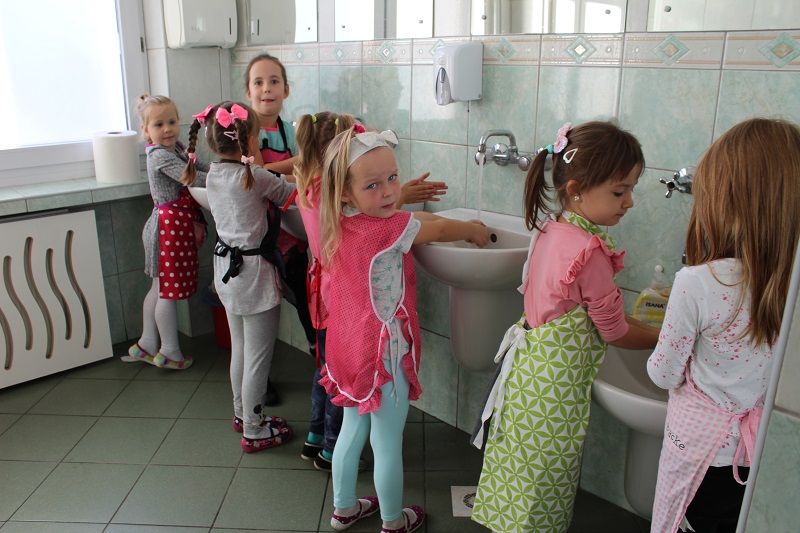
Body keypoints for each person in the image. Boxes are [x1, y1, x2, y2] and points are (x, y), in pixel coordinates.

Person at [470, 121, 661, 533]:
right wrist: (663, 338)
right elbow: (613, 331)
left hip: (526, 378)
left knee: (516, 472)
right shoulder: (589, 253)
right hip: (554, 392)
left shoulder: (552, 228)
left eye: (631, 189)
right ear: (576, 189)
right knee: (544, 483)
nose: (629, 202)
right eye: (619, 192)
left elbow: (601, 313)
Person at [317, 124, 490, 533]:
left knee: (352, 428)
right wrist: (473, 230)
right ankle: (394, 522)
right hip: (383, 354)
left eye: (392, 178)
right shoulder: (387, 228)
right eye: (373, 185)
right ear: (346, 193)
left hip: (346, 347)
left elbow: (406, 215)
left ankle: (344, 508)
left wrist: (396, 198)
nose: (389, 192)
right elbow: (438, 229)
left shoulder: (341, 220)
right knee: (386, 441)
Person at [647, 118, 800, 533]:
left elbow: (663, 374)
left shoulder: (699, 282)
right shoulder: (791, 286)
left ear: (724, 203)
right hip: (753, 455)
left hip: (700, 453)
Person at [183, 100, 295, 452]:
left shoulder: (213, 174)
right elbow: (292, 195)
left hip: (227, 272)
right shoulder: (256, 177)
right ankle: (255, 431)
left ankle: (242, 415)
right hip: (254, 275)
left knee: (241, 350)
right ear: (249, 141)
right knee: (258, 358)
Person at [125, 94, 208, 370]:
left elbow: (197, 165)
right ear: (146, 131)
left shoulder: (176, 148)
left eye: (171, 122)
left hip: (167, 227)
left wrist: (222, 167)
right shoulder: (160, 155)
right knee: (167, 293)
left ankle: (147, 343)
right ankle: (170, 351)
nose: (168, 129)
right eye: (159, 124)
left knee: (159, 287)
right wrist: (227, 176)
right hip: (166, 230)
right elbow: (191, 176)